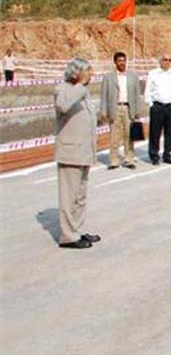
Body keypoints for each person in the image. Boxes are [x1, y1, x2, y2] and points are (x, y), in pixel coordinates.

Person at [54, 58, 101, 249]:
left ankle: (77, 230)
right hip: (70, 151)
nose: (91, 75)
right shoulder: (63, 89)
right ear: (77, 72)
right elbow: (63, 106)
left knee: (80, 195)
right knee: (69, 196)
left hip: (84, 151)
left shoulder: (82, 92)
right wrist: (80, 85)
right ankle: (68, 236)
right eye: (88, 71)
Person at [99, 51, 141, 169]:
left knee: (129, 135)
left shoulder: (133, 76)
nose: (122, 63)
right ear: (115, 62)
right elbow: (103, 96)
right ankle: (114, 160)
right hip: (115, 108)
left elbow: (137, 94)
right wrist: (103, 111)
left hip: (129, 108)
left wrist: (137, 110)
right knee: (114, 136)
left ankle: (129, 159)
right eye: (119, 61)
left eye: (124, 60)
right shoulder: (108, 77)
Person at [145, 55, 171, 165]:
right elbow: (148, 90)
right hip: (157, 106)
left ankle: (167, 155)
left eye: (169, 60)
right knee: (155, 132)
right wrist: (151, 104)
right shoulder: (153, 74)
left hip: (170, 107)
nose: (167, 62)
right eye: (165, 60)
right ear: (160, 61)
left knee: (170, 132)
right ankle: (154, 156)